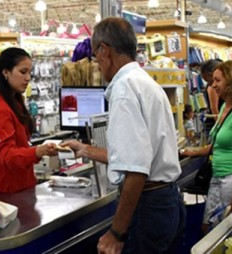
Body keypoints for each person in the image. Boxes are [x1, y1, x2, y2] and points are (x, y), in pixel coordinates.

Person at [61, 17, 185, 254]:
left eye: (96, 57)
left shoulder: (124, 90)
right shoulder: (145, 82)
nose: (97, 64)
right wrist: (85, 149)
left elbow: (137, 170)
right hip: (167, 200)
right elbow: (137, 154)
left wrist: (116, 233)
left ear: (105, 50)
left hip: (148, 207)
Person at [182, 60, 232, 233]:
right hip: (217, 177)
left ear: (231, 81)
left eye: (217, 80)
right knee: (209, 227)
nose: (212, 85)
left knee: (224, 231)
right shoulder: (225, 107)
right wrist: (192, 152)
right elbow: (216, 145)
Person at [0, 47, 57, 193]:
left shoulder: (14, 103)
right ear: (5, 72)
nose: (28, 78)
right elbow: (7, 156)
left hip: (20, 188)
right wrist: (39, 151)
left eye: (29, 73)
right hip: (4, 193)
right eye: (23, 72)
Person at [200, 59, 224, 133]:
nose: (212, 85)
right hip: (214, 123)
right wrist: (220, 126)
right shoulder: (213, 88)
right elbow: (214, 109)